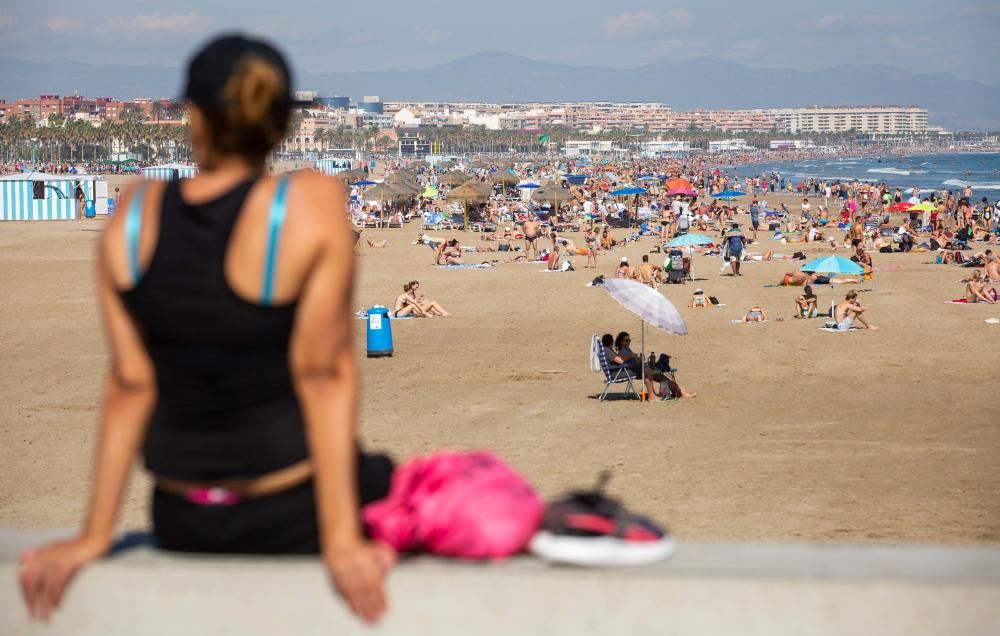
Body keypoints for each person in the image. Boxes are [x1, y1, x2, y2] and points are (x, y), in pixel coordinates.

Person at [18, 35, 394, 625]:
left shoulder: (135, 213)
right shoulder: (309, 202)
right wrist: (343, 540)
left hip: (183, 517)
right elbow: (323, 375)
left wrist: (94, 534)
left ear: (192, 114)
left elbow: (131, 386)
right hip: (289, 511)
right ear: (280, 126)